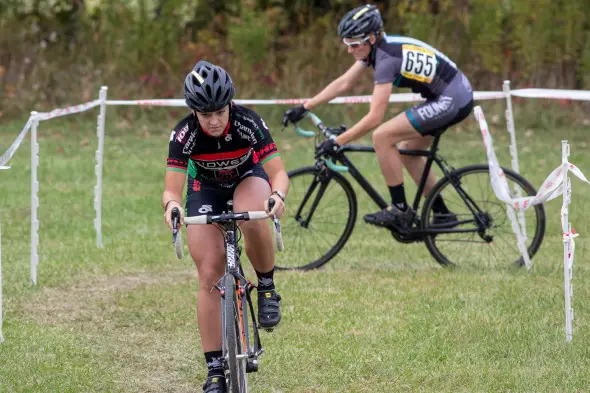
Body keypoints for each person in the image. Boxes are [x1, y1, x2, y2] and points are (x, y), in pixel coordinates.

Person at [282, 4, 473, 229]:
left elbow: (375, 118)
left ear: (371, 38)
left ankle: (399, 209)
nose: (349, 50)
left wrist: (337, 141)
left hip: (452, 98)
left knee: (382, 136)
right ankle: (443, 214)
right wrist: (305, 106)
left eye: (353, 44)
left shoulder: (386, 59)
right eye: (347, 43)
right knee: (407, 152)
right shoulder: (378, 48)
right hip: (449, 95)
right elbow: (344, 82)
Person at [162, 60, 289, 393]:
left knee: (253, 212)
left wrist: (278, 195)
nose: (215, 121)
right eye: (206, 115)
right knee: (209, 271)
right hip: (206, 189)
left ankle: (266, 286)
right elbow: (171, 191)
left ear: (230, 104)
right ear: (194, 113)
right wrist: (172, 207)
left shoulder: (248, 122)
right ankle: (215, 369)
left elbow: (278, 173)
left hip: (248, 179)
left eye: (220, 111)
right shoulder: (184, 134)